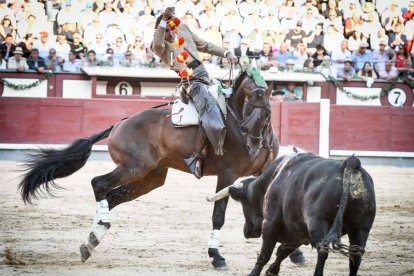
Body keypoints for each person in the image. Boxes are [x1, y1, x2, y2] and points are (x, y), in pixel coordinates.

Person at [151, 7, 238, 179]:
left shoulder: (182, 29)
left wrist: (226, 52)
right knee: (208, 107)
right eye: (165, 30)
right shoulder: (159, 44)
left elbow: (204, 45)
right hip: (190, 82)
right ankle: (198, 156)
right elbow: (158, 42)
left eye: (170, 28)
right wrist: (162, 21)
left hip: (205, 76)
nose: (169, 33)